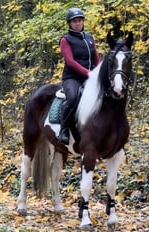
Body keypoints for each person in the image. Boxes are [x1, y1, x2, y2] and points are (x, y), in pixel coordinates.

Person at [58, 7, 100, 144]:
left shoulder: (89, 38)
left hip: (90, 77)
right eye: (74, 21)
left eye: (80, 20)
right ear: (69, 23)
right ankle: (64, 129)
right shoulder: (66, 40)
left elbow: (96, 58)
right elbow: (70, 62)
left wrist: (98, 72)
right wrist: (88, 73)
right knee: (73, 98)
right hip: (72, 78)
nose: (78, 23)